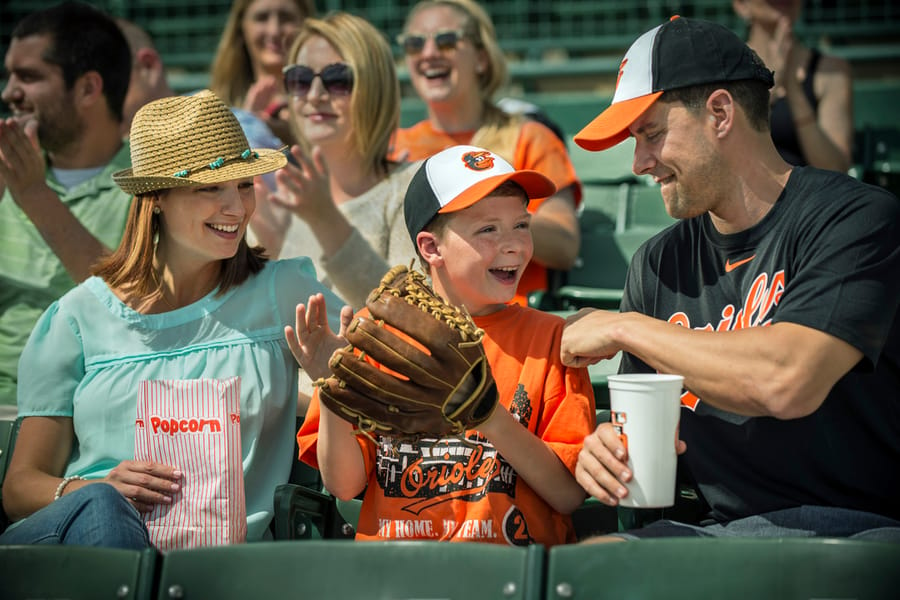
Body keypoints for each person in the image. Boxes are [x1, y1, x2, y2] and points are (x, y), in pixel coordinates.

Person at [563, 16, 900, 541]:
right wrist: (608, 454)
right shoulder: (656, 263)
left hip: (860, 537)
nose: (639, 162)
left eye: (651, 134)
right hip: (719, 536)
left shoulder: (856, 218)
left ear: (720, 112)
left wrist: (625, 326)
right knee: (587, 567)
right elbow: (657, 448)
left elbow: (787, 381)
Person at [0, 90, 349, 548]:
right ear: (156, 197)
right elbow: (20, 487)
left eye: (244, 185)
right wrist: (95, 492)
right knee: (105, 514)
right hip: (90, 557)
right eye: (210, 187)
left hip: (226, 572)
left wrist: (336, 377)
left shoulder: (283, 291)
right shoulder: (76, 318)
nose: (238, 208)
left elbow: (382, 364)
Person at [293, 145, 596, 546]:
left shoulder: (553, 339)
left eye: (522, 225)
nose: (514, 245)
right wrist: (333, 392)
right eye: (488, 229)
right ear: (431, 248)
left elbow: (568, 494)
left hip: (511, 575)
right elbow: (344, 485)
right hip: (400, 575)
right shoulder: (375, 334)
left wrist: (487, 415)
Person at [389, 0, 581, 307]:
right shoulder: (396, 147)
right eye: (414, 44)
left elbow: (564, 244)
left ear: (481, 57)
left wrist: (491, 216)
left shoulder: (528, 137)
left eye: (446, 40)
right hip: (416, 324)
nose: (428, 53)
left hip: (512, 325)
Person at [0, 1, 133, 411]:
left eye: (29, 77)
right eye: (9, 75)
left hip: (85, 413)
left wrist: (34, 196)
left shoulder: (151, 185)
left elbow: (134, 304)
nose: (9, 93)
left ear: (89, 88)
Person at [252, 11, 419, 311]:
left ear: (375, 86)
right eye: (300, 80)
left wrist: (324, 221)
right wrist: (272, 252)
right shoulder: (277, 198)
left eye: (337, 79)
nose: (315, 95)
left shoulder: (411, 190)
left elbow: (410, 319)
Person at [733, 0, 853, 172]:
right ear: (741, 5)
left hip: (813, 195)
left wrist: (793, 86)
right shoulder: (727, 68)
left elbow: (835, 168)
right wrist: (773, 85)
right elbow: (731, 152)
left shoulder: (831, 71)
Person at [209, 0, 315, 147]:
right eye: (262, 17)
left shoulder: (327, 98)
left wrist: (299, 139)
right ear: (242, 27)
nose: (274, 31)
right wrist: (247, 125)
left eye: (286, 17)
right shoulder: (212, 108)